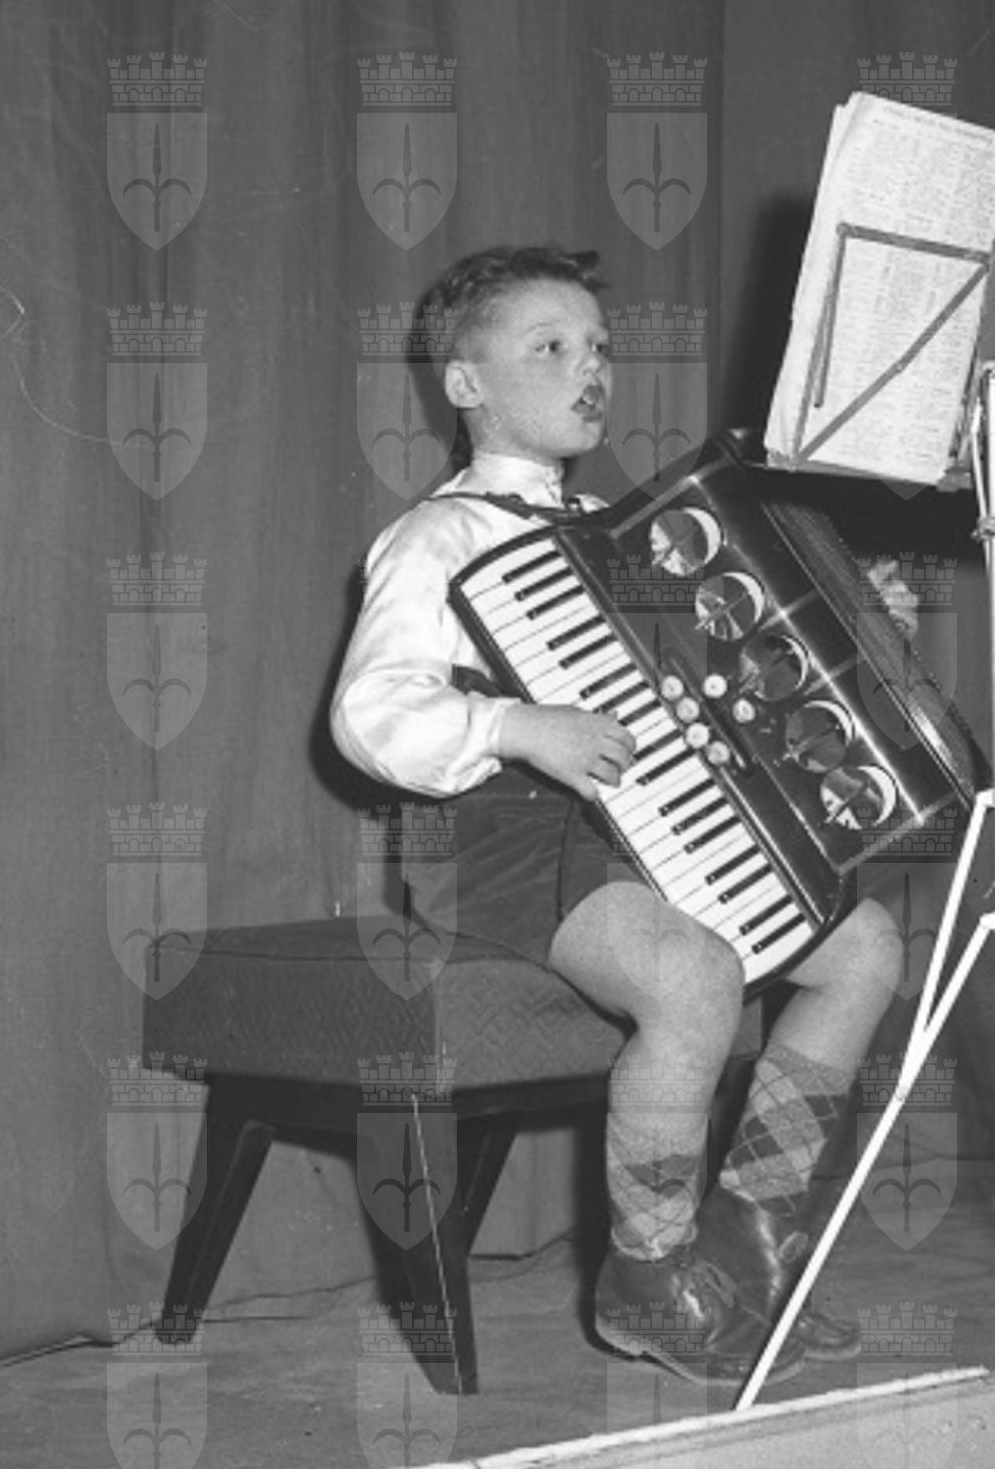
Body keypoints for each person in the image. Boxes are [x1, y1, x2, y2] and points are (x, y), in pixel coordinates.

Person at [331, 244, 906, 1386]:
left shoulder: (621, 528)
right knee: (691, 977)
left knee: (866, 947)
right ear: (466, 383)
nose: (588, 367)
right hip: (499, 845)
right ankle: (647, 1278)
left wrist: (853, 625)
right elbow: (368, 712)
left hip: (658, 824)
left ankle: (745, 1239)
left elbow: (716, 686)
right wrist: (512, 725)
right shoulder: (433, 539)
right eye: (549, 346)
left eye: (597, 346)